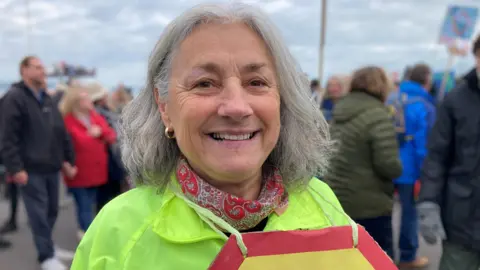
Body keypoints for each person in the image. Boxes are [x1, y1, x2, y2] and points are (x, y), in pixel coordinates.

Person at [71, 3, 356, 269]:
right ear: (164, 107)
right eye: (204, 83)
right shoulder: (119, 230)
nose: (236, 107)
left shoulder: (322, 202)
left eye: (257, 82)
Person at [1, 56, 77, 270]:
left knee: (52, 210)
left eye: (43, 67)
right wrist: (15, 167)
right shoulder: (14, 98)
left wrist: (67, 159)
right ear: (24, 70)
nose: (43, 70)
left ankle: (48, 246)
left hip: (51, 166)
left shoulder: (47, 98)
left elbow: (59, 132)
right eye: (37, 67)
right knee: (38, 213)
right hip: (30, 169)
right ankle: (46, 256)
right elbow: (8, 136)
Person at [325, 66, 402, 259]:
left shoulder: (340, 110)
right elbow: (388, 165)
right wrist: (400, 169)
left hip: (337, 199)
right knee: (377, 259)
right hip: (370, 204)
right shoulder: (377, 115)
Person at [418, 35, 480, 270]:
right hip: (462, 219)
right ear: (476, 57)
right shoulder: (455, 101)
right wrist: (428, 202)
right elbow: (437, 156)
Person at [59, 86, 116, 241]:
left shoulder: (95, 116)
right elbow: (61, 145)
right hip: (78, 172)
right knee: (84, 205)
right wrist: (65, 165)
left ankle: (87, 231)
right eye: (85, 98)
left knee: (93, 203)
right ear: (76, 102)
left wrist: (100, 132)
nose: (89, 100)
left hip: (97, 171)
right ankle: (89, 236)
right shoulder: (67, 121)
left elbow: (111, 135)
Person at [393, 63, 435, 268]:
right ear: (426, 79)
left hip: (386, 164)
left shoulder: (391, 98)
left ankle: (380, 253)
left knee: (383, 213)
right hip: (409, 169)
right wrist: (424, 172)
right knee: (410, 213)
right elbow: (424, 143)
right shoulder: (424, 105)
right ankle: (408, 256)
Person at [86, 82, 126, 211]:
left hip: (111, 154)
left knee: (112, 191)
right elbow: (109, 133)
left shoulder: (103, 111)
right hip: (107, 157)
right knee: (107, 194)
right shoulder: (98, 113)